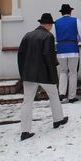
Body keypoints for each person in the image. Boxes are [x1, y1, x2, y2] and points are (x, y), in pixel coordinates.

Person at [17, 13, 68, 141]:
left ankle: (25, 131)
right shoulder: (48, 36)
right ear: (49, 25)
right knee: (54, 95)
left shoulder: (27, 35)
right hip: (44, 73)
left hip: (28, 74)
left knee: (27, 102)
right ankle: (58, 119)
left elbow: (20, 56)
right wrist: (53, 75)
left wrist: (23, 73)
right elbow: (48, 57)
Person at [54, 4, 81, 103]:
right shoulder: (75, 20)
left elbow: (54, 37)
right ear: (70, 12)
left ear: (61, 12)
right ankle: (71, 96)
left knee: (63, 71)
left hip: (61, 50)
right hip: (73, 49)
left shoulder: (56, 22)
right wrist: (76, 40)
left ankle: (62, 94)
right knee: (73, 72)